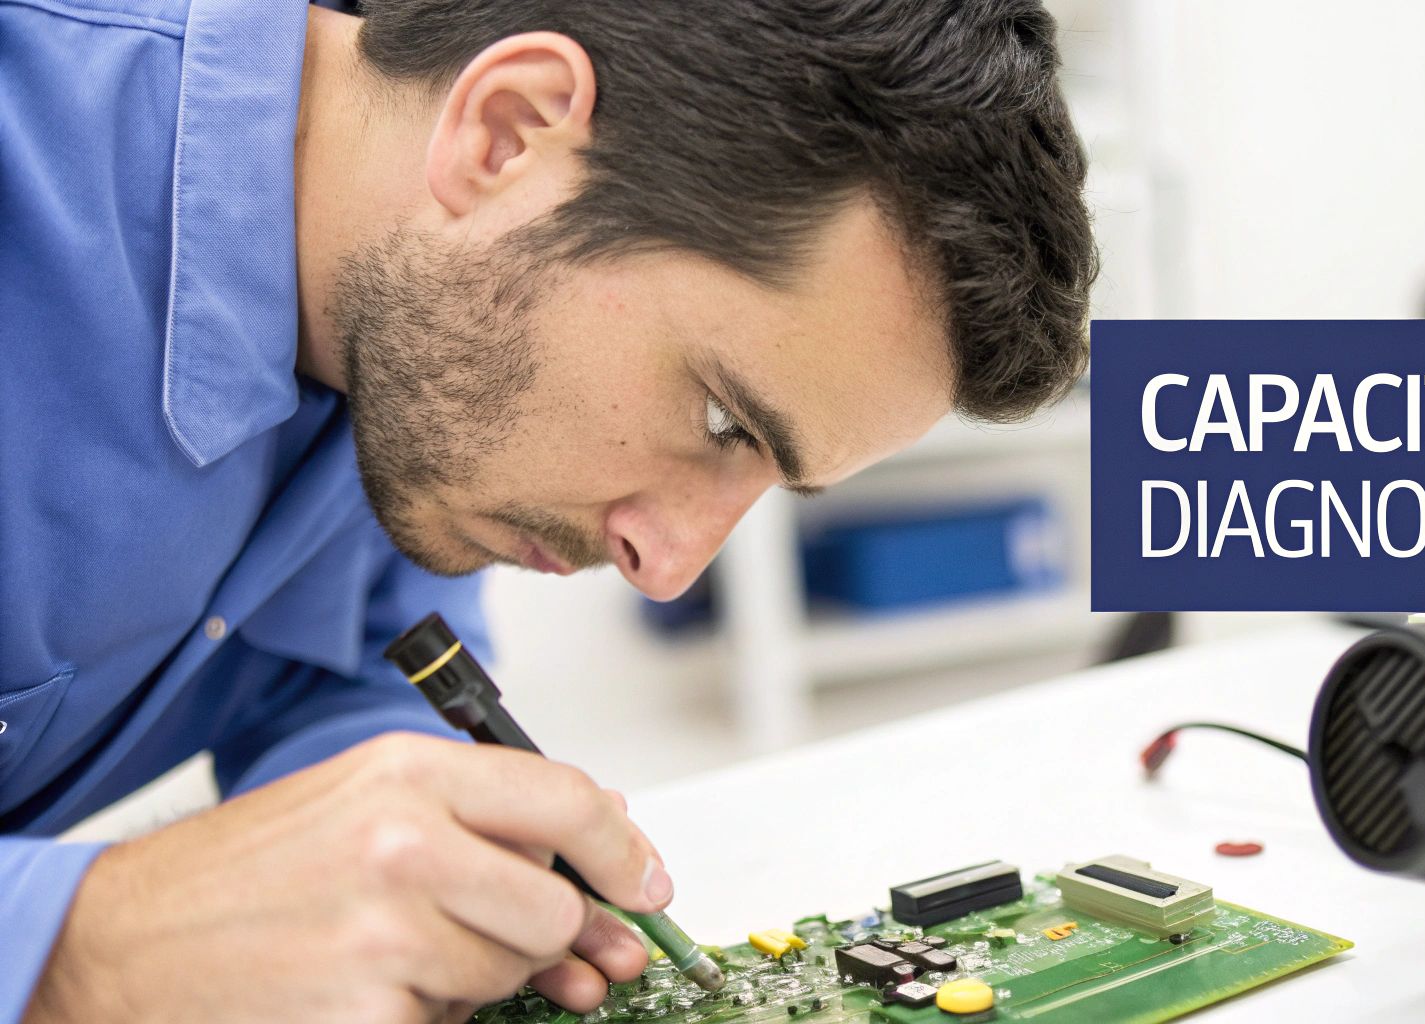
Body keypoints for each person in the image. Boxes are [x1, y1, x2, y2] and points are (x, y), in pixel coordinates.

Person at [0, 0, 1094, 1020]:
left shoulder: (418, 361)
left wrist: (427, 865)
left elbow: (342, 675)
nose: (664, 569)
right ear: (508, 132)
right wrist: (81, 942)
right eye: (722, 422)